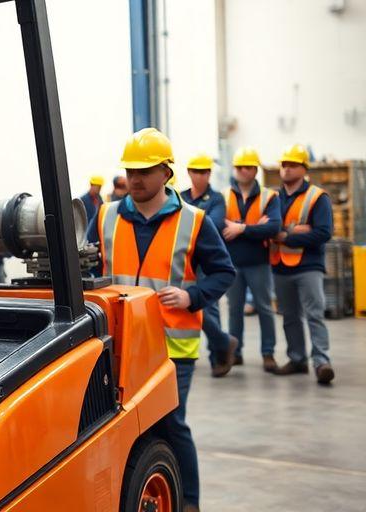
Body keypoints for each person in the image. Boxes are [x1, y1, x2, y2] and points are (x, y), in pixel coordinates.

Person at [88, 128, 235, 512]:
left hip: (172, 347)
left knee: (170, 423)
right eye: (131, 171)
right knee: (117, 429)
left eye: (145, 171)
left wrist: (192, 295)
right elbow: (85, 271)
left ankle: (188, 502)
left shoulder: (195, 221)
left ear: (166, 173)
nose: (134, 179)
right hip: (115, 347)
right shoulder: (105, 217)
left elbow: (223, 272)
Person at [270, 144, 335, 384]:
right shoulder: (274, 198)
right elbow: (267, 228)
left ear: (304, 168)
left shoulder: (317, 197)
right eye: (284, 165)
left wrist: (288, 236)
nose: (286, 169)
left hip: (308, 266)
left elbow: (323, 233)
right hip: (280, 265)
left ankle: (321, 362)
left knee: (314, 314)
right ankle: (297, 359)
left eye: (292, 165)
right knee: (289, 317)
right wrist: (296, 229)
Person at [221, 146, 281, 372]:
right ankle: (235, 353)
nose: (242, 171)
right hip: (232, 263)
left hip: (259, 263)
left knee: (265, 308)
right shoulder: (223, 196)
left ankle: (268, 354)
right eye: (239, 167)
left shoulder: (270, 197)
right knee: (235, 309)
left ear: (255, 170)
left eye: (247, 167)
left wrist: (240, 228)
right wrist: (257, 228)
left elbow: (274, 227)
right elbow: (217, 226)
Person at [181, 152, 238, 377]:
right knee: (192, 308)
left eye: (204, 172)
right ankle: (224, 343)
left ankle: (218, 355)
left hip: (205, 263)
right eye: (196, 171)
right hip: (183, 260)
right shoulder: (181, 196)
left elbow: (212, 224)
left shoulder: (216, 199)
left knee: (208, 310)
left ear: (209, 174)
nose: (199, 176)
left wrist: (189, 223)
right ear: (189, 173)